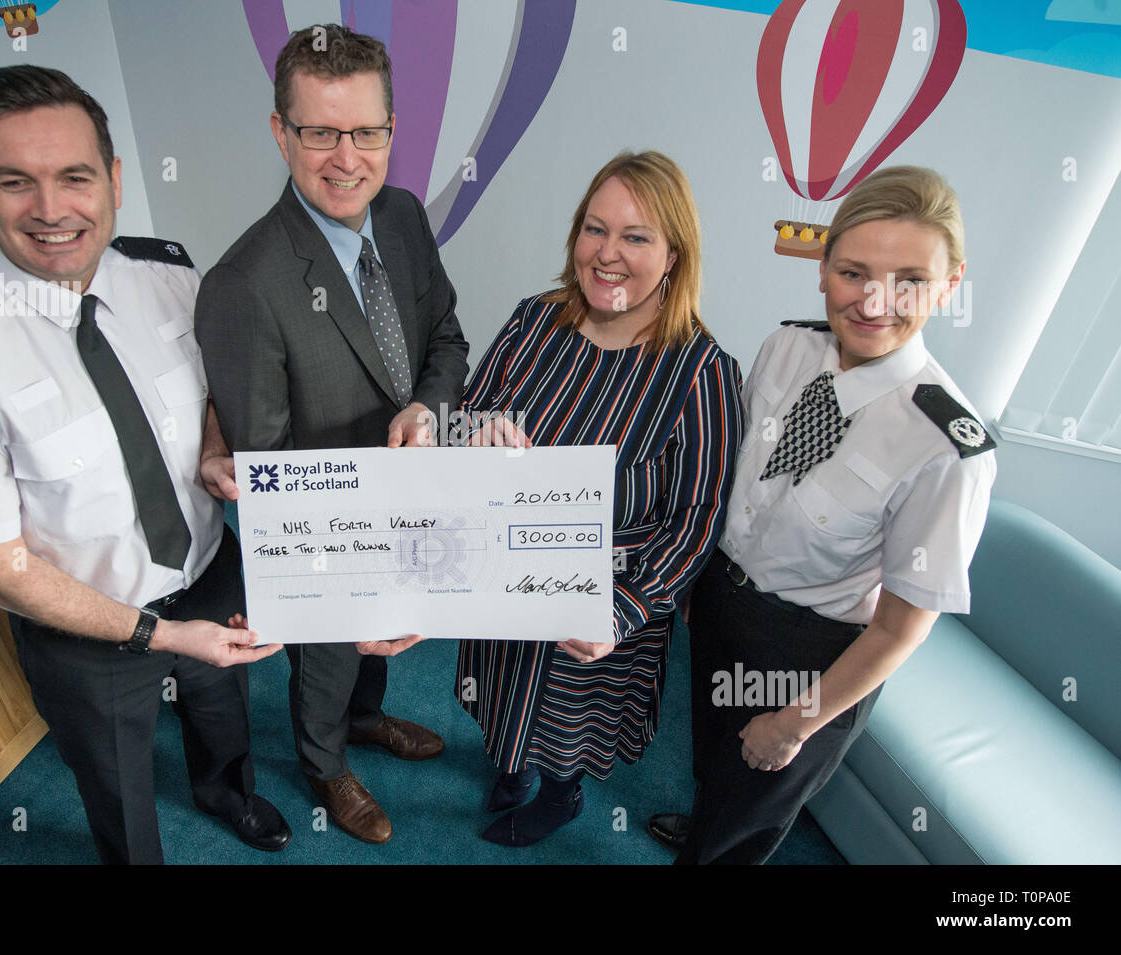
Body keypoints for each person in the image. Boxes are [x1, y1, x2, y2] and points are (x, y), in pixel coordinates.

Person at [0, 65, 289, 865]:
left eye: (74, 176)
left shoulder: (171, 272)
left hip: (213, 574)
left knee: (223, 715)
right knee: (115, 780)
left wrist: (212, 444)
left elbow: (210, 390)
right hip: (93, 636)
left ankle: (229, 795)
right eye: (13, 182)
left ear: (112, 176)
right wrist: (160, 634)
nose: (50, 209)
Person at [648, 165, 997, 864]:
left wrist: (794, 723)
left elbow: (901, 630)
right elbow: (735, 481)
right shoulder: (787, 346)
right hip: (722, 601)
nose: (874, 301)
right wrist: (699, 584)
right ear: (822, 268)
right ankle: (709, 817)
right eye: (853, 272)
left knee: (748, 811)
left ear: (951, 284)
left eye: (910, 280)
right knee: (715, 758)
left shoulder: (946, 446)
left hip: (811, 651)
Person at [193, 24, 469, 845]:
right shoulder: (244, 285)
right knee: (330, 655)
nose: (346, 157)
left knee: (379, 647)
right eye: (320, 131)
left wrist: (426, 409)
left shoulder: (407, 216)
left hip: (407, 498)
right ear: (281, 133)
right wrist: (330, 582)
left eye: (367, 131)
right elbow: (269, 478)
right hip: (326, 534)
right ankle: (324, 761)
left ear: (392, 129)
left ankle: (369, 717)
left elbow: (447, 338)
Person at [457, 151, 743, 847]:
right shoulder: (535, 320)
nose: (607, 254)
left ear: (674, 255)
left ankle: (561, 793)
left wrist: (624, 610)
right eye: (594, 229)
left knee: (566, 721)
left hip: (603, 608)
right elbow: (467, 411)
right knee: (500, 697)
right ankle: (514, 765)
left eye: (636, 236)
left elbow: (696, 521)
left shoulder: (703, 372)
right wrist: (473, 433)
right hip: (504, 580)